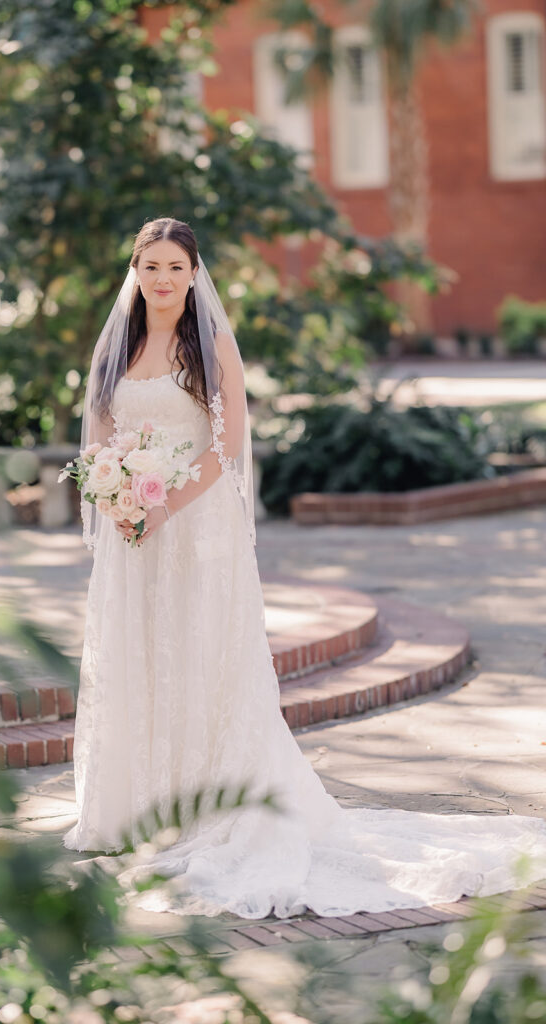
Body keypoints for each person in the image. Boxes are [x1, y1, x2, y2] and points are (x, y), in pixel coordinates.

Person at [62, 216, 546, 920]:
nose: (162, 279)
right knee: (142, 655)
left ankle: (211, 803)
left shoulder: (210, 343)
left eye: (175, 267)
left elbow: (227, 444)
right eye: (152, 267)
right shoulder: (116, 347)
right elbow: (101, 435)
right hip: (133, 533)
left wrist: (165, 505)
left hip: (195, 527)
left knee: (202, 655)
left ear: (194, 275)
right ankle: (140, 803)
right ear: (135, 272)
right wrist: (115, 495)